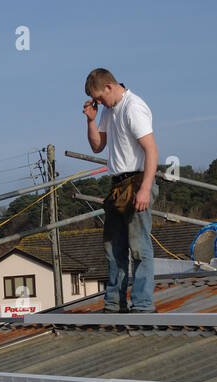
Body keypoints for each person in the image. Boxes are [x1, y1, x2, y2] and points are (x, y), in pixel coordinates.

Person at [83, 68, 159, 313]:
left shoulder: (132, 107)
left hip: (137, 181)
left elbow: (152, 150)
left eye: (100, 98)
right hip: (117, 184)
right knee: (114, 247)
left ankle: (143, 304)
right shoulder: (108, 110)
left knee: (139, 247)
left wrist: (145, 188)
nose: (100, 102)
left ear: (109, 87)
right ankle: (115, 303)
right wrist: (91, 120)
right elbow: (97, 146)